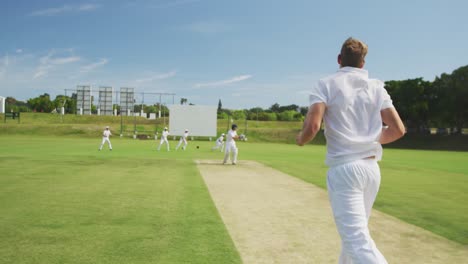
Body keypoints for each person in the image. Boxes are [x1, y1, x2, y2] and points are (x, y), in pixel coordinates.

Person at [296, 37, 405, 264]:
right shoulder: (376, 86)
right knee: (354, 239)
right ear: (363, 64)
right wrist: (368, 140)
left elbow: (313, 126)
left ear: (339, 59)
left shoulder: (325, 83)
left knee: (356, 240)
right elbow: (397, 129)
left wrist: (300, 139)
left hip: (345, 170)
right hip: (371, 170)